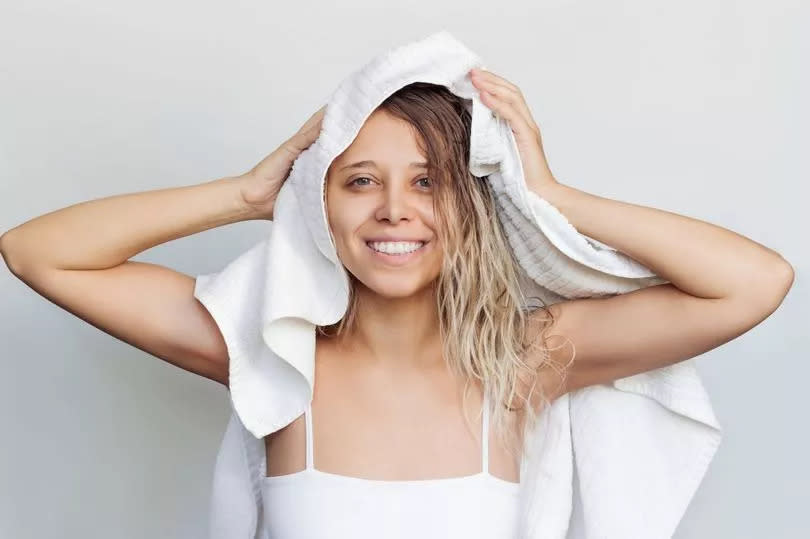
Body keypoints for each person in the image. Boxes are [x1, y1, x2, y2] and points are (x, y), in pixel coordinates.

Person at [0, 68, 795, 537]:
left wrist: (548, 194)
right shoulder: (273, 356)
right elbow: (37, 252)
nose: (393, 210)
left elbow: (755, 281)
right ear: (320, 205)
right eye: (360, 181)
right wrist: (247, 193)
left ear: (473, 202)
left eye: (428, 180)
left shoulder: (525, 362)